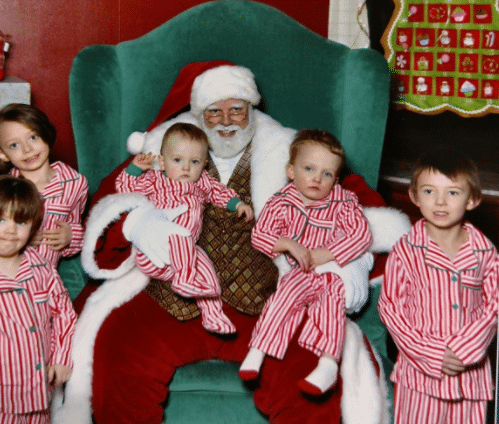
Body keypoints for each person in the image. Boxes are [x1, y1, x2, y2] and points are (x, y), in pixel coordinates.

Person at [56, 62, 399, 424]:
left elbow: (362, 214)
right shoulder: (163, 150)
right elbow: (110, 202)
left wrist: (339, 264)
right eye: (214, 111)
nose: (226, 120)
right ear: (198, 114)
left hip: (263, 298)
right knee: (117, 353)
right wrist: (138, 223)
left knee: (309, 374)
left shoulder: (294, 155)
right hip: (169, 294)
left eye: (236, 109)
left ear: (252, 109)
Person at [240, 129, 372, 396]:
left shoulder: (343, 202)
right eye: (309, 168)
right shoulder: (280, 202)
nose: (317, 178)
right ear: (291, 171)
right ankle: (258, 350)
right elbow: (260, 236)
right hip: (301, 270)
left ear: (336, 179)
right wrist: (288, 243)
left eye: (327, 174)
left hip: (333, 270)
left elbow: (361, 235)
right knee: (285, 294)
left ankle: (328, 363)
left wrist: (329, 253)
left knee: (331, 301)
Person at [378, 149, 498, 424]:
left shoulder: (485, 252)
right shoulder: (406, 251)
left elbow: (494, 305)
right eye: (430, 191)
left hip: (470, 382)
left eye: (453, 193)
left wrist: (466, 349)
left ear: (472, 199)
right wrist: (434, 353)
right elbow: (391, 309)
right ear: (414, 196)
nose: (440, 202)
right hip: (420, 380)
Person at [115, 122, 254, 334]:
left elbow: (219, 192)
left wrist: (238, 204)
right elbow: (125, 189)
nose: (186, 168)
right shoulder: (154, 180)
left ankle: (213, 315)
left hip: (185, 256)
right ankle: (185, 279)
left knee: (206, 267)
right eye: (177, 160)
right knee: (178, 233)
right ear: (161, 162)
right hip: (153, 253)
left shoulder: (202, 183)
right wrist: (134, 169)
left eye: (194, 161)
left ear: (204, 164)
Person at [0, 175, 77, 423]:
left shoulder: (40, 268)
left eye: (20, 222)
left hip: (38, 393)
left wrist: (62, 358)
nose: (10, 229)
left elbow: (64, 313)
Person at [0, 103, 89, 269]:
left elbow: (75, 226)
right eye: (14, 145)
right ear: (2, 154)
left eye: (33, 137)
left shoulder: (76, 183)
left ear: (45, 133)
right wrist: (19, 240)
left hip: (45, 275)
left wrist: (71, 236)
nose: (27, 149)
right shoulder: (1, 189)